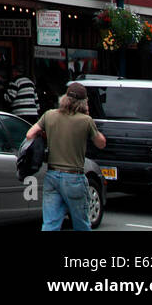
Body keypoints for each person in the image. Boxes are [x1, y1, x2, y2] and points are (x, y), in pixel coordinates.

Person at [26, 81, 107, 231]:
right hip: (74, 177)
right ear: (83, 103)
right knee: (81, 223)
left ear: (65, 98)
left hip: (52, 175)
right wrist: (89, 118)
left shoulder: (49, 115)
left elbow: (30, 134)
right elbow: (101, 143)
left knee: (50, 224)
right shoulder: (86, 121)